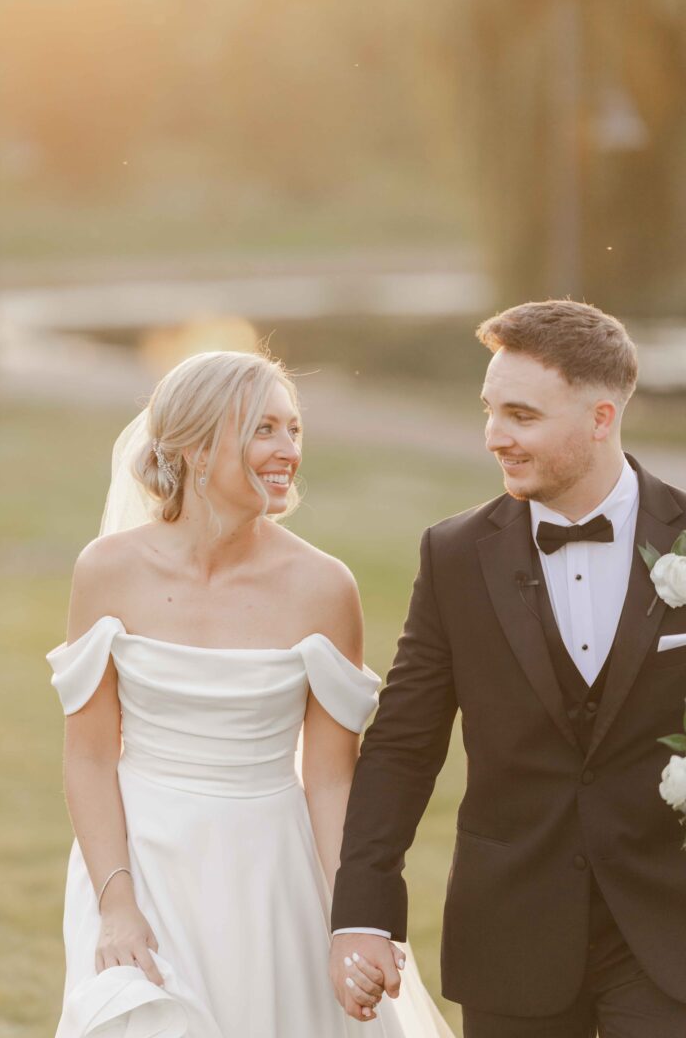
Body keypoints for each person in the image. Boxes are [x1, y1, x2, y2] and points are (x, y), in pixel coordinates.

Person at [47, 350, 455, 1038]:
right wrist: (116, 905)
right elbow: (88, 756)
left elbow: (330, 778)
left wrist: (351, 919)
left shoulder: (325, 587)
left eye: (293, 429)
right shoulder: (107, 570)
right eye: (264, 429)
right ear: (197, 448)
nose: (288, 449)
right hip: (135, 863)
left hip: (269, 871)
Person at [330, 300, 686, 1037]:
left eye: (521, 416)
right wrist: (363, 913)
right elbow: (403, 745)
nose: (495, 436)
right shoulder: (455, 555)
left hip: (668, 930)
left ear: (601, 417)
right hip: (512, 931)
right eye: (490, 411)